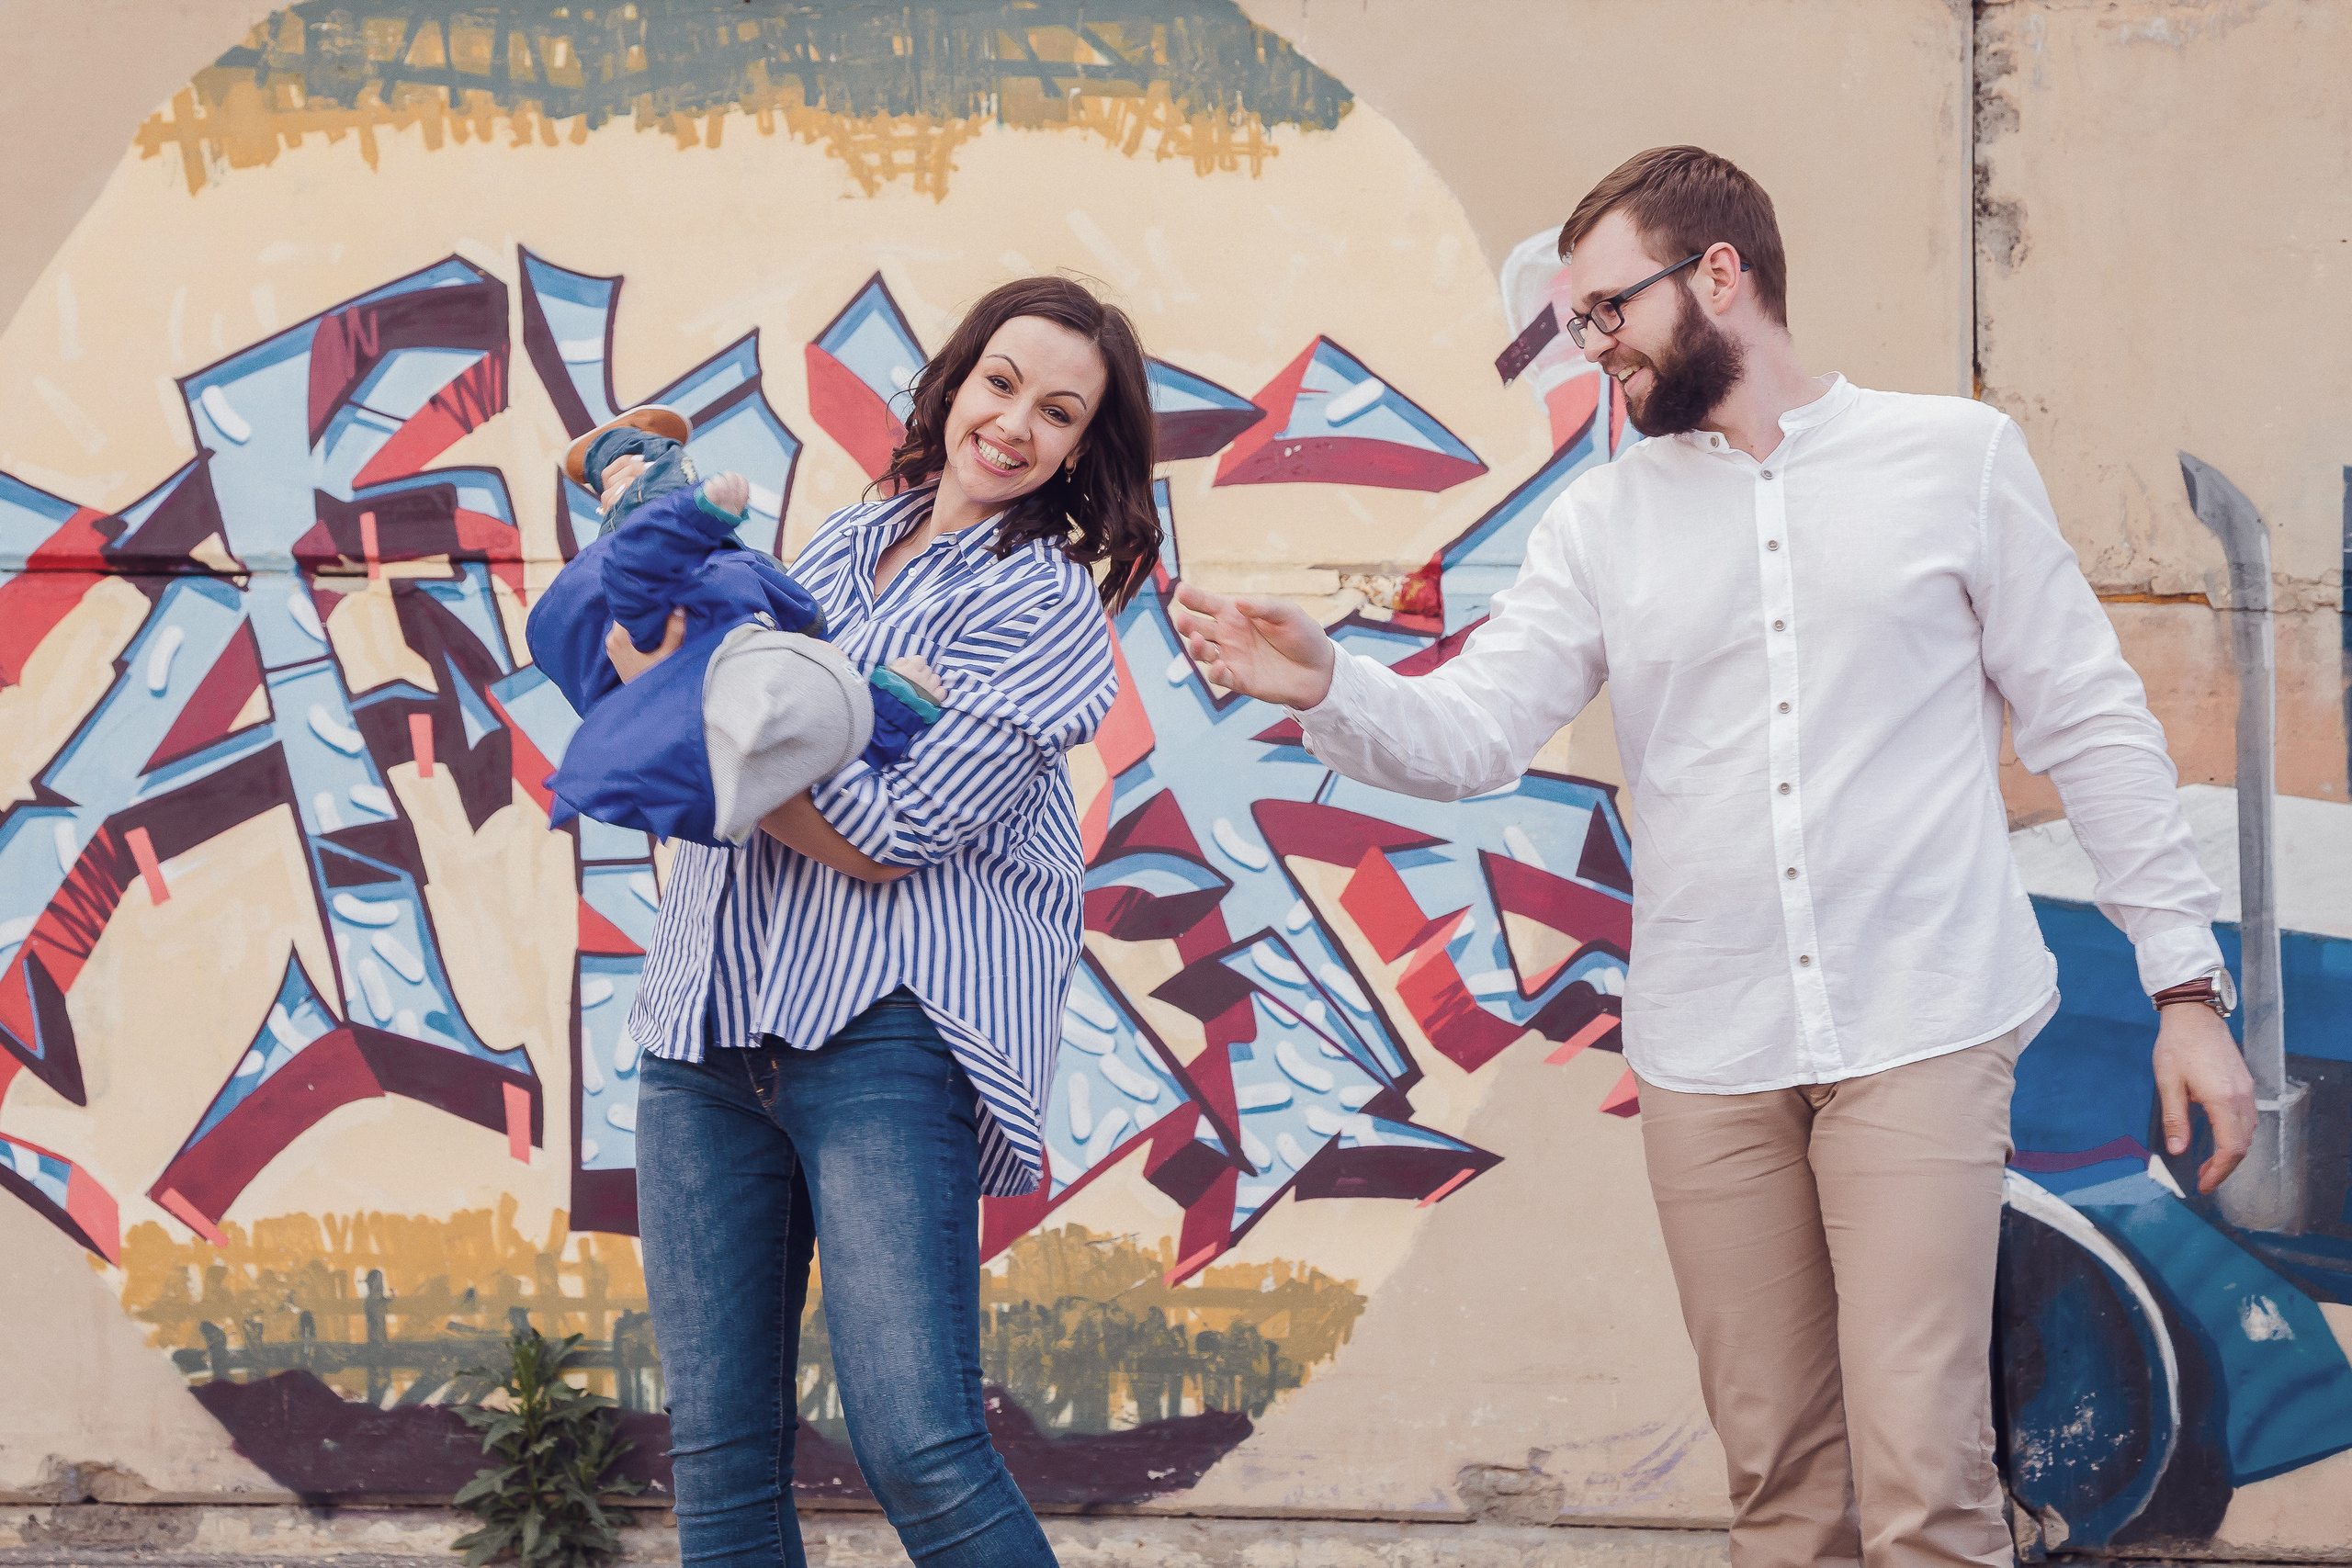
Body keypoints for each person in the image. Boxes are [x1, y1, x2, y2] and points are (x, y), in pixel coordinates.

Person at [1170, 146, 2257, 1568]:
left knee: (1930, 1469)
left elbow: (2094, 722)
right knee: (1781, 1488)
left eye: (1607, 310)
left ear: (1721, 275)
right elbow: (1479, 730)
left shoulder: (1953, 458)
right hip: (1710, 1050)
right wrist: (1327, 686)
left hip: (1921, 1021)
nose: (1591, 344)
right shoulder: (1603, 523)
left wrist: (2187, 987)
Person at [619, 275, 1160, 1568]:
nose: (1016, 422)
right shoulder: (842, 545)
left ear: (1084, 448)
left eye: (1059, 410)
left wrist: (702, 738)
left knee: (917, 1437)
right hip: (704, 1024)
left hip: (880, 1039)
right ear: (958, 381)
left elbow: (886, 834)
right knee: (719, 1454)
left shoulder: (1044, 606)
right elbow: (705, 713)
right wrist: (692, 713)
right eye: (1001, 382)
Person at [526, 409, 943, 847]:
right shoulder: (760, 758)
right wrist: (897, 704)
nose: (842, 663)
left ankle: (613, 450)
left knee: (655, 488)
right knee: (747, 575)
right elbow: (838, 753)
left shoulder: (671, 635)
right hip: (737, 613)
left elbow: (634, 570)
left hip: (610, 599)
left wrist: (697, 515)